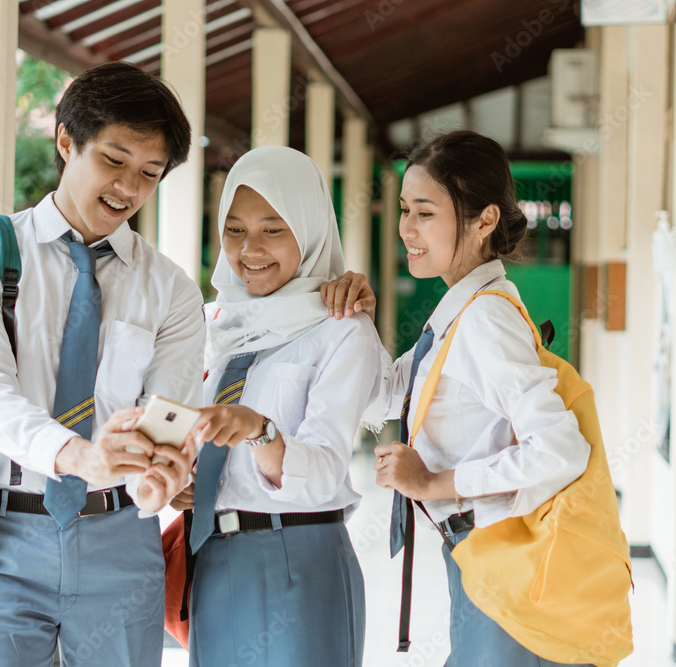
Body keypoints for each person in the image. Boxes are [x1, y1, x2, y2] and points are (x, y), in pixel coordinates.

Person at [0, 62, 202, 666]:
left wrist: (159, 476)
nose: (128, 188)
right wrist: (80, 456)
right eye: (114, 160)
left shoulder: (172, 290)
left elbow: (169, 413)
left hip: (123, 541)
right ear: (65, 141)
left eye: (149, 173)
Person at [323, 130, 596, 666]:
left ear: (484, 220)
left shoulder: (484, 318)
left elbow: (561, 451)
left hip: (505, 558)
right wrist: (358, 322)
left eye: (425, 213)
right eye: (404, 209)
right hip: (478, 554)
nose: (406, 229)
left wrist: (432, 482)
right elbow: (384, 401)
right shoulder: (461, 308)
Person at [147, 145, 383, 666]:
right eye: (234, 229)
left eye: (273, 229)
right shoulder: (209, 323)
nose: (250, 249)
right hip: (213, 559)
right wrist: (178, 476)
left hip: (299, 556)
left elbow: (323, 472)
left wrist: (261, 433)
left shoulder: (341, 328)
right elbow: (176, 419)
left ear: (310, 227)